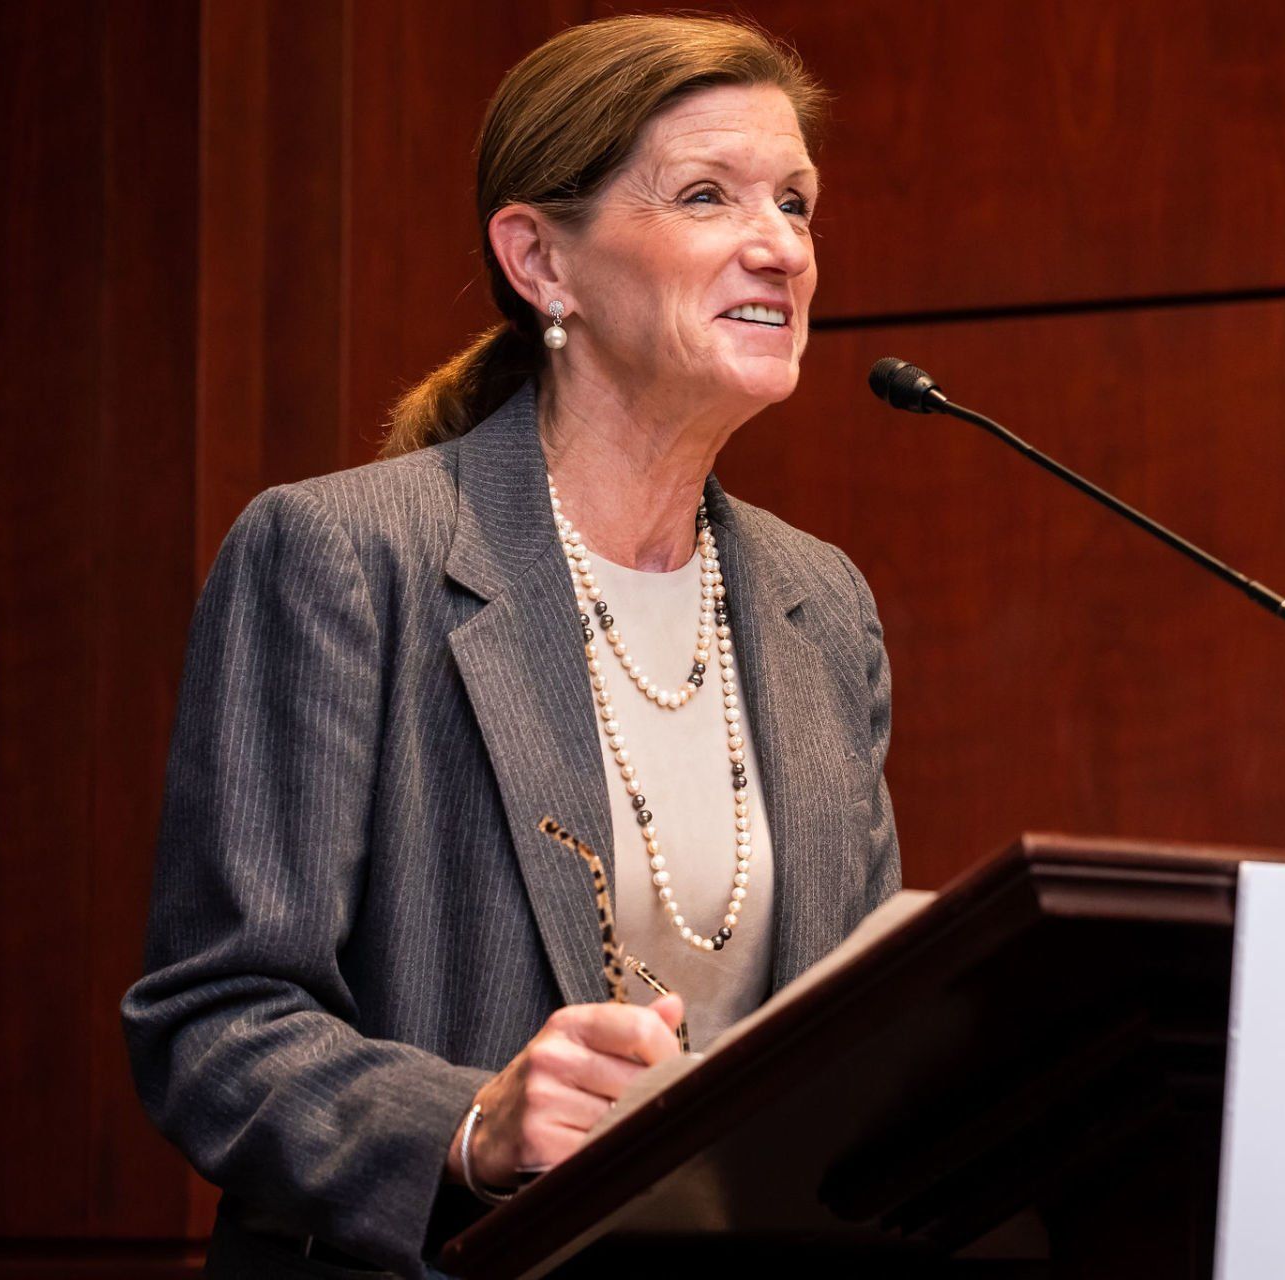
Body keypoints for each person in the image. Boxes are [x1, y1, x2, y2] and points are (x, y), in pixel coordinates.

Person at [120, 15, 899, 1277]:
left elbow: (863, 1036)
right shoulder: (342, 557)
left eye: (796, 202)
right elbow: (214, 1022)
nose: (782, 247)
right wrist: (471, 1124)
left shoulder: (822, 604)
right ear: (540, 259)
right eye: (708, 195)